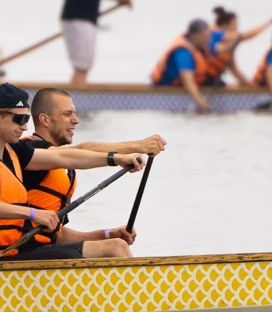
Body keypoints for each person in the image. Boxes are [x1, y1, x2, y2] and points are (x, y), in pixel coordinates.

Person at [0, 83, 151, 262]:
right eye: (19, 119)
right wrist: (32, 213)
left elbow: (64, 158)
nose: (25, 126)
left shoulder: (14, 151)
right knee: (81, 255)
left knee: (111, 245)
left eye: (26, 119)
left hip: (14, 251)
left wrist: (115, 159)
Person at [20, 88, 168, 229]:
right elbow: (80, 150)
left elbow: (57, 235)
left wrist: (107, 234)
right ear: (45, 120)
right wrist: (137, 146)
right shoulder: (30, 149)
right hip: (20, 250)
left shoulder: (64, 165)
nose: (76, 120)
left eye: (74, 113)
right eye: (67, 114)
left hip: (45, 248)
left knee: (117, 244)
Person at [149, 19, 218, 111]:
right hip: (169, 88)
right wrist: (200, 101)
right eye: (205, 36)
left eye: (209, 35)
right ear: (195, 36)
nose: (208, 39)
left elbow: (221, 48)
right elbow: (187, 79)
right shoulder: (183, 52)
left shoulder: (201, 46)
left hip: (187, 83)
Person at [208, 7, 270, 86]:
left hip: (214, 80)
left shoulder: (228, 47)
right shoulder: (215, 33)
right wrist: (269, 22)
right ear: (224, 25)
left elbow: (234, 70)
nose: (237, 29)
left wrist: (251, 85)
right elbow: (246, 35)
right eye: (234, 25)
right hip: (206, 79)